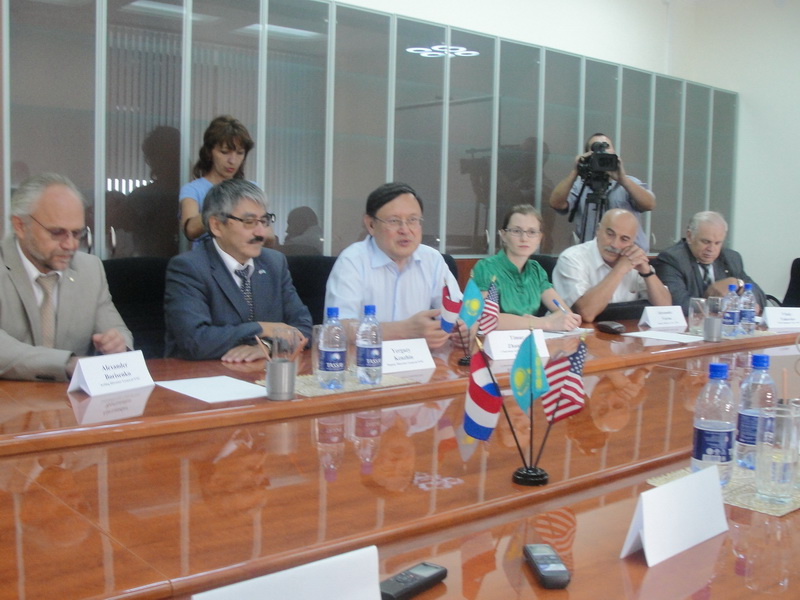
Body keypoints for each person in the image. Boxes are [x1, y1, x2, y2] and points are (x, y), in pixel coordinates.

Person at [0, 173, 132, 381]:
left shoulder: (90, 269)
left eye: (77, 233)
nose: (70, 245)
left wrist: (118, 345)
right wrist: (67, 363)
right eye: (57, 232)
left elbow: (117, 330)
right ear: (20, 226)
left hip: (69, 404)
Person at [165, 179, 312, 361]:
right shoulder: (189, 267)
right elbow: (195, 341)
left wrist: (267, 346)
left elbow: (304, 327)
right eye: (249, 222)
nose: (261, 233)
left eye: (264, 221)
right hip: (202, 378)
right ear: (217, 226)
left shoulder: (274, 263)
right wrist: (261, 328)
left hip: (259, 373)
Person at [324, 182, 463, 349]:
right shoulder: (352, 261)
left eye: (413, 220)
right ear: (371, 224)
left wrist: (463, 328)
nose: (405, 230)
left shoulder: (432, 259)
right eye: (394, 221)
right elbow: (337, 329)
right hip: (366, 365)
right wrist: (404, 330)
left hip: (420, 363)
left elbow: (456, 311)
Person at [470, 204, 580, 331]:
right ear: (503, 235)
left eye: (532, 232)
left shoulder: (536, 270)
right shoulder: (485, 268)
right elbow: (483, 318)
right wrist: (544, 323)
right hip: (494, 345)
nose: (524, 238)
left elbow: (564, 312)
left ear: (539, 238)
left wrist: (540, 322)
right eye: (516, 231)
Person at [552, 208, 671, 322]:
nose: (615, 244)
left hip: (624, 335)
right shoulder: (572, 258)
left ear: (632, 242)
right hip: (577, 336)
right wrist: (620, 269)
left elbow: (666, 309)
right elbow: (586, 313)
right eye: (610, 234)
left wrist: (646, 272)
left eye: (624, 239)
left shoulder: (633, 259)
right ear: (598, 230)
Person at [549, 133, 655, 251]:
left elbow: (649, 204)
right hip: (591, 258)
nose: (602, 152)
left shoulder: (628, 183)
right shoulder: (580, 185)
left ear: (614, 153)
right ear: (587, 155)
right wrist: (575, 171)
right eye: (595, 148)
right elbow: (556, 203)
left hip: (629, 258)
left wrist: (622, 179)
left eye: (606, 147)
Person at [655, 210, 766, 314]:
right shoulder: (672, 259)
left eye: (717, 243)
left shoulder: (731, 258)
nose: (711, 248)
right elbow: (679, 304)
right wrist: (727, 305)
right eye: (706, 241)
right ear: (689, 236)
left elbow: (760, 297)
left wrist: (738, 283)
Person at [179, 115, 255, 246]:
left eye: (240, 153)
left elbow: (267, 235)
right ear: (209, 152)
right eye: (225, 152)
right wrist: (225, 206)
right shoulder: (193, 189)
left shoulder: (252, 189)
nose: (232, 160)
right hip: (206, 263)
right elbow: (190, 229)